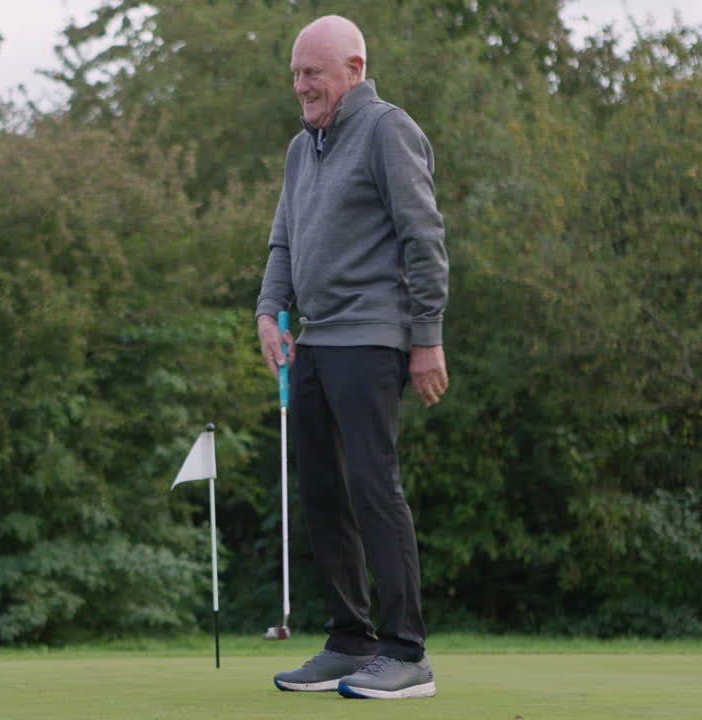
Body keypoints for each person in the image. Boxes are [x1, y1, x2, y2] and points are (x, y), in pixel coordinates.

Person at [255, 16, 448, 700]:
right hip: (313, 339)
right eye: (296, 74)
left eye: (315, 72)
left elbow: (422, 235)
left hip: (373, 335)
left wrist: (426, 337)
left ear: (354, 69)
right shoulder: (300, 147)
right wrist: (266, 312)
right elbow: (284, 239)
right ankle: (350, 639)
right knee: (322, 492)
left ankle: (406, 653)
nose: (302, 85)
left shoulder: (388, 129)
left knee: (372, 486)